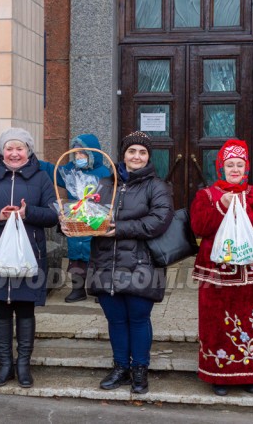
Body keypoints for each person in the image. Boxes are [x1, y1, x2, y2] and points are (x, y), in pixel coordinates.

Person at [0, 127, 59, 389]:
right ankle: (5, 364)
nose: (14, 153)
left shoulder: (41, 179)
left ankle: (23, 366)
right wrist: (0, 214)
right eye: (10, 148)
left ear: (29, 151)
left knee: (26, 310)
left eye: (20, 148)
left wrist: (30, 213)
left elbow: (53, 213)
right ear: (2, 151)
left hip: (29, 255)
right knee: (1, 311)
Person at [190, 139, 253, 396]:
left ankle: (251, 373)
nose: (234, 169)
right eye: (229, 164)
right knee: (216, 322)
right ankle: (219, 375)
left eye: (239, 165)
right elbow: (199, 227)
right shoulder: (206, 196)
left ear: (246, 168)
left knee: (252, 322)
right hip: (215, 273)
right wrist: (222, 205)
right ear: (221, 168)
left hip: (252, 273)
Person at [84, 131, 173, 395]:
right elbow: (87, 213)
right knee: (115, 319)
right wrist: (74, 220)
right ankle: (121, 367)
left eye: (142, 152)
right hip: (105, 262)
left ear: (148, 157)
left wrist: (120, 228)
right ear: (123, 154)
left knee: (137, 317)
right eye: (132, 151)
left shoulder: (157, 186)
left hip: (141, 263)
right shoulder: (104, 183)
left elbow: (160, 220)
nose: (136, 156)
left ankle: (140, 370)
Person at [38, 134, 111, 302]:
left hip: (95, 218)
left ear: (93, 155)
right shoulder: (71, 169)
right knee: (76, 256)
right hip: (76, 217)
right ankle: (78, 289)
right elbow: (55, 172)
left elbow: (108, 194)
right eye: (76, 153)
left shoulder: (103, 172)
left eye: (83, 154)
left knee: (97, 256)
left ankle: (99, 289)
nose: (79, 157)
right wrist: (38, 164)